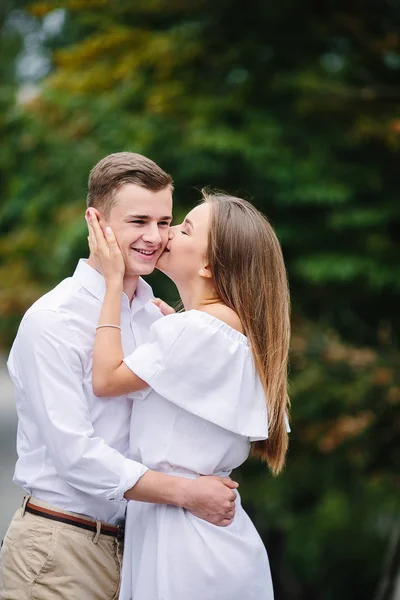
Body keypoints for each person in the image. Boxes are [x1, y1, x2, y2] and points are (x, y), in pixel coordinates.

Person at [0, 153, 238, 600]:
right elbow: (76, 455)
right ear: (96, 221)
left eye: (164, 221)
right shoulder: (53, 320)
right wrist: (187, 493)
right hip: (60, 548)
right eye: (138, 221)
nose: (154, 237)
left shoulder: (158, 319)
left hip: (146, 551)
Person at [86, 189, 291, 600]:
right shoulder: (225, 329)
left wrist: (111, 284)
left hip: (185, 543)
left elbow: (106, 380)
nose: (167, 234)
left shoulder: (193, 331)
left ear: (208, 265)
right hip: (203, 535)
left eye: (184, 229)